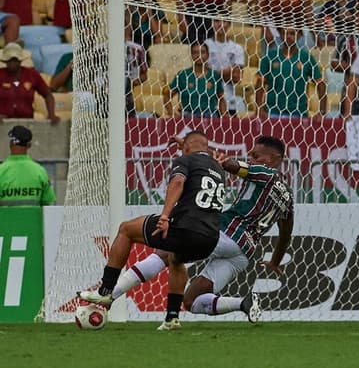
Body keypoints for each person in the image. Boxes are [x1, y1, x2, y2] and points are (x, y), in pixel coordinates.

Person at [99, 136, 294, 328]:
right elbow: (285, 233)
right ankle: (243, 303)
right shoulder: (287, 196)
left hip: (226, 233)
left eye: (256, 155)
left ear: (274, 158)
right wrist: (275, 262)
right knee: (191, 301)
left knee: (167, 252)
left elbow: (234, 166)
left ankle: (109, 296)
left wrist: (215, 159)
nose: (251, 157)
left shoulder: (266, 173)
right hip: (243, 253)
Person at [78, 131, 226, 330]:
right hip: (209, 238)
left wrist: (165, 215)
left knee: (126, 229)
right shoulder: (217, 167)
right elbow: (197, 148)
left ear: (188, 148)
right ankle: (172, 317)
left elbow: (178, 182)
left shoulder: (186, 159)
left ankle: (105, 289)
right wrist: (186, 144)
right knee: (176, 258)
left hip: (185, 227)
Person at [0, 43, 58, 124]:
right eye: (9, 60)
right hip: (3, 123)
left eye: (15, 60)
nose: (12, 63)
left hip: (27, 122)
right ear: (5, 61)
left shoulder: (32, 74)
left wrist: (51, 114)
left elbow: (48, 95)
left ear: (20, 60)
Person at [0, 125, 56, 207]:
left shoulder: (1, 171)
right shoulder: (40, 171)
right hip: (33, 219)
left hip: (7, 219)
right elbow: (48, 202)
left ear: (11, 144)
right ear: (29, 145)